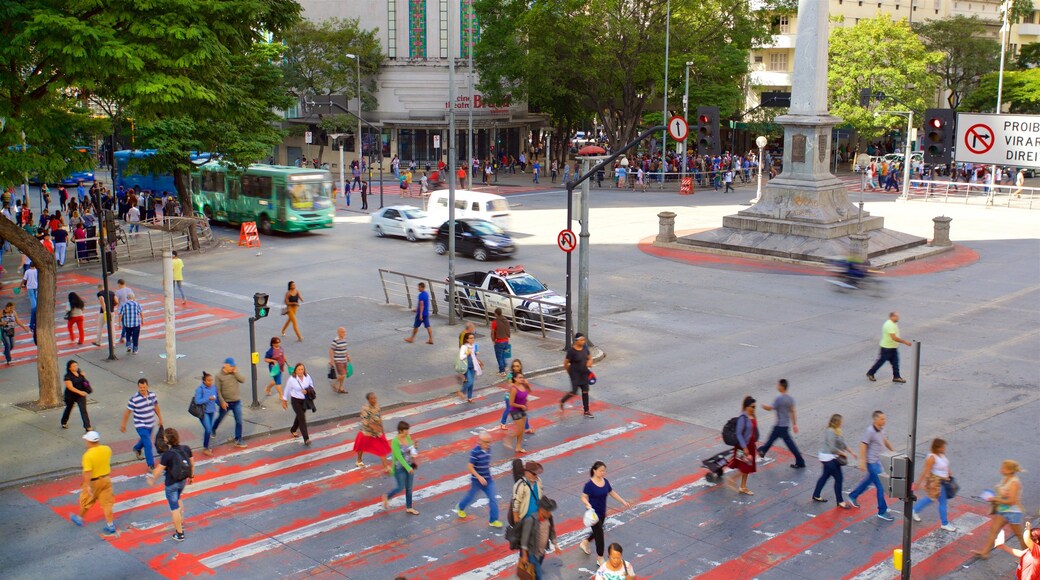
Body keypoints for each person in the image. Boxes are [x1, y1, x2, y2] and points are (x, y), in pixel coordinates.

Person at [145, 427, 194, 542]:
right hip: (182, 481)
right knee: (178, 498)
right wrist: (191, 476)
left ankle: (179, 533)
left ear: (167, 440)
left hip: (171, 484)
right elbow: (192, 463)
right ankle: (180, 521)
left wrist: (152, 479)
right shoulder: (186, 449)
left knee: (174, 508)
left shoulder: (167, 454)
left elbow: (158, 470)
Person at [847, 410, 897, 520]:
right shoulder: (870, 431)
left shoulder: (881, 429)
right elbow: (863, 445)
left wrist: (894, 451)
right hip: (872, 462)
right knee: (881, 486)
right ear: (875, 420)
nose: (884, 420)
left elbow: (884, 440)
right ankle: (882, 511)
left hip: (877, 460)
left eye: (884, 418)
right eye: (882, 419)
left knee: (868, 480)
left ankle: (853, 496)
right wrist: (862, 462)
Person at [580, 461, 632, 566]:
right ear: (594, 470)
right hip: (593, 514)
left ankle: (585, 542)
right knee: (600, 535)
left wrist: (623, 501)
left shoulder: (605, 482)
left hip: (602, 512)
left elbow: (612, 492)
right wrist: (587, 504)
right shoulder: (589, 485)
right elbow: (583, 497)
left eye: (604, 471)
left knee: (597, 532)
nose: (603, 473)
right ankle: (600, 558)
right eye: (601, 471)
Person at [974, 459, 1027, 559]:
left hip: (1013, 512)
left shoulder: (1014, 482)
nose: (1001, 469)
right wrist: (995, 498)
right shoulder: (1005, 478)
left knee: (1019, 535)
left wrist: (995, 499)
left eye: (1003, 468)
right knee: (994, 530)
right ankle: (984, 552)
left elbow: (1012, 501)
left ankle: (1027, 558)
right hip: (1002, 510)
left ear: (1009, 470)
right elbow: (1003, 495)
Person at [70, 431, 117, 534]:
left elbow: (87, 472)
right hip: (106, 479)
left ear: (89, 441)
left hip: (94, 482)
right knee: (107, 504)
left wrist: (87, 485)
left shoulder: (87, 455)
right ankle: (110, 525)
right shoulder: (107, 449)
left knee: (85, 500)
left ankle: (79, 518)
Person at [453, 432, 504, 528]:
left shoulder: (489, 449)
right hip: (477, 481)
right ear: (479, 441)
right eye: (486, 442)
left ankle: (493, 520)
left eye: (489, 442)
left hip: (488, 479)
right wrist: (479, 477)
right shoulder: (475, 452)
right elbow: (470, 466)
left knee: (493, 499)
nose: (488, 444)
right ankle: (460, 507)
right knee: (470, 496)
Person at [757, 379, 806, 469]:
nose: (777, 386)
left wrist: (763, 406)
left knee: (787, 443)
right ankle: (763, 450)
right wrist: (794, 424)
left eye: (778, 385)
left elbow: (770, 408)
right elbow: (793, 411)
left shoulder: (779, 399)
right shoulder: (790, 399)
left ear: (782, 387)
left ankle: (800, 461)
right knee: (772, 439)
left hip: (780, 425)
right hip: (785, 425)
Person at [911, 438, 956, 531]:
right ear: (937, 448)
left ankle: (915, 510)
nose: (944, 448)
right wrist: (919, 483)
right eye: (943, 447)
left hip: (944, 481)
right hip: (937, 483)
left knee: (931, 499)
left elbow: (945, 465)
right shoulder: (932, 457)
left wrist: (949, 473)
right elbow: (925, 471)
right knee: (942, 502)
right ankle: (944, 523)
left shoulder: (941, 454)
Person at [811, 414, 855, 507]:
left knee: (825, 476)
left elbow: (842, 443)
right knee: (839, 479)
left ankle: (816, 495)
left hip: (831, 457)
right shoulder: (830, 431)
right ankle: (840, 501)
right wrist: (842, 453)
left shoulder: (837, 430)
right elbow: (832, 448)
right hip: (828, 457)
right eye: (841, 421)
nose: (842, 423)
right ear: (837, 422)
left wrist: (851, 452)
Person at [119, 378, 164, 471]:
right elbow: (128, 412)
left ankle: (137, 448)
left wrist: (160, 418)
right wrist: (123, 424)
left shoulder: (152, 395)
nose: (142, 389)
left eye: (144, 387)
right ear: (138, 387)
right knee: (148, 443)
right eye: (140, 387)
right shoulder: (134, 399)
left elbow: (156, 407)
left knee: (145, 440)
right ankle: (150, 464)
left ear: (147, 386)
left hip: (150, 423)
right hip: (140, 424)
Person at [382, 421, 419, 515]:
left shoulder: (408, 437)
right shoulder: (395, 441)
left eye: (407, 430)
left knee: (409, 488)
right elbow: (399, 457)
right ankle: (387, 496)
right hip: (399, 468)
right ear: (400, 431)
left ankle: (409, 507)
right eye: (405, 431)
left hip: (409, 465)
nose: (407, 433)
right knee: (400, 487)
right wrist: (408, 468)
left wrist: (415, 448)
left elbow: (411, 450)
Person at [518, 496, 558, 580]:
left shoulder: (549, 518)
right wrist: (524, 555)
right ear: (541, 510)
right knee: (538, 575)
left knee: (534, 572)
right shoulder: (530, 520)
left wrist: (555, 544)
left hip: (541, 552)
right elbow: (524, 539)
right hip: (532, 552)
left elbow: (551, 531)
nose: (550, 513)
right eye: (548, 511)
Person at [866, 312, 911, 383]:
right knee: (881, 362)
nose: (898, 318)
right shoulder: (889, 325)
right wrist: (905, 342)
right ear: (892, 317)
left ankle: (897, 377)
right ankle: (870, 373)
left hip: (892, 347)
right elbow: (894, 338)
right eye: (896, 316)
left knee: (895, 362)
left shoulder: (893, 323)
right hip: (887, 348)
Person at [213, 358, 248, 449]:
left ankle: (238, 439)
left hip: (236, 401)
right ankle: (213, 428)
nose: (233, 368)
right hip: (226, 403)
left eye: (233, 366)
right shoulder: (218, 376)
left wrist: (236, 372)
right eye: (231, 366)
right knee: (220, 418)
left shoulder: (234, 373)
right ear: (226, 365)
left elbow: (243, 380)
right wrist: (222, 402)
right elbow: (218, 391)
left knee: (239, 420)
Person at [727, 396, 758, 495]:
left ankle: (743, 487)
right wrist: (744, 447)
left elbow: (753, 432)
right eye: (752, 407)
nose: (754, 409)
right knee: (744, 467)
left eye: (754, 407)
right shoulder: (742, 418)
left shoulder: (752, 416)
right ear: (746, 407)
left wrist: (754, 445)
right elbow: (739, 433)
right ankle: (732, 479)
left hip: (751, 445)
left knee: (747, 468)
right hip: (743, 446)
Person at [354, 392, 391, 472]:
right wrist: (375, 428)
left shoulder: (377, 406)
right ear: (368, 400)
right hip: (367, 432)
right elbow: (365, 422)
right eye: (372, 398)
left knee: (382, 448)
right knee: (360, 446)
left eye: (375, 398)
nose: (374, 400)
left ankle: (385, 467)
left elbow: (379, 416)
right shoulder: (365, 409)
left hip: (377, 432)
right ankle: (359, 460)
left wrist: (381, 428)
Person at [560, 333, 594, 418]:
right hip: (575, 375)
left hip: (584, 374)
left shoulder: (585, 348)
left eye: (584, 339)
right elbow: (565, 363)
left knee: (585, 391)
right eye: (582, 340)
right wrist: (570, 373)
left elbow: (590, 357)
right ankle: (562, 401)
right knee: (574, 392)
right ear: (576, 341)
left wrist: (590, 361)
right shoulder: (571, 351)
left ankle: (586, 411)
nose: (583, 341)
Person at [282, 363, 314, 446]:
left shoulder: (307, 377)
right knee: (302, 418)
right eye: (299, 369)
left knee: (299, 416)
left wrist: (307, 391)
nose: (301, 371)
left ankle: (293, 429)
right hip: (295, 400)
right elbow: (287, 389)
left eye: (302, 369)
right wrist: (284, 400)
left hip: (304, 400)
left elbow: (311, 386)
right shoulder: (292, 379)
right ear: (295, 370)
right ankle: (306, 438)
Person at [503, 371, 531, 454]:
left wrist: (526, 402)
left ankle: (518, 447)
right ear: (515, 379)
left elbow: (528, 392)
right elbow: (511, 403)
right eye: (520, 377)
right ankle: (509, 438)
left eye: (522, 377)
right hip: (515, 410)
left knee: (522, 430)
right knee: (519, 430)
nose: (522, 379)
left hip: (523, 409)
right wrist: (521, 406)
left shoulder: (523, 386)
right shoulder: (514, 389)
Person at [61, 360, 92, 431]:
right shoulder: (67, 377)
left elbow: (84, 381)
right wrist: (79, 392)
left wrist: (84, 377)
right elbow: (70, 387)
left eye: (76, 365)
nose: (76, 367)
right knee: (69, 408)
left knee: (83, 410)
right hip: (71, 395)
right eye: (73, 366)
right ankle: (64, 421)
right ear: (69, 368)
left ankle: (87, 426)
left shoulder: (80, 372)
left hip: (80, 396)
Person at [193, 372, 219, 456]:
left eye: (211, 380)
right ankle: (205, 447)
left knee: (209, 429)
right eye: (208, 380)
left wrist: (221, 404)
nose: (210, 382)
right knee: (208, 429)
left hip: (212, 411)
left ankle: (207, 445)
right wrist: (208, 398)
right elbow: (198, 401)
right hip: (204, 412)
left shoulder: (214, 388)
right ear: (204, 381)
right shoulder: (200, 389)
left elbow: (216, 398)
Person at [511, 460, 544, 524]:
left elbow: (541, 496)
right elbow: (516, 503)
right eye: (534, 474)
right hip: (525, 519)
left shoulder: (538, 481)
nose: (536, 476)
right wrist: (516, 519)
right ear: (526, 473)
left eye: (537, 473)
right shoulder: (520, 485)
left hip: (537, 517)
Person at [458, 332, 483, 402]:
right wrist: (467, 353)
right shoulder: (464, 347)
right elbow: (461, 357)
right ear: (467, 340)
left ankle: (469, 397)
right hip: (466, 367)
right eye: (471, 338)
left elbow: (473, 357)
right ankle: (461, 391)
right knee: (470, 381)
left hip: (473, 366)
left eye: (473, 338)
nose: (472, 339)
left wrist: (478, 361)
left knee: (472, 382)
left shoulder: (474, 346)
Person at [92, 283, 116, 347]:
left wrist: (105, 310)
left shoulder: (100, 293)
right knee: (112, 327)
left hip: (103, 313)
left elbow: (102, 301)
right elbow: (116, 301)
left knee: (100, 326)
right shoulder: (112, 292)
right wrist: (112, 307)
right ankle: (113, 343)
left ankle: (98, 341)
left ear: (99, 288)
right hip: (112, 312)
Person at [328, 326, 351, 394]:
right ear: (338, 333)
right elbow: (331, 350)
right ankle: (334, 383)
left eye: (345, 332)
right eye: (342, 332)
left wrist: (347, 356)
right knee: (343, 374)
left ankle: (340, 387)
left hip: (344, 359)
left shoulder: (344, 339)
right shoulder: (336, 340)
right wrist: (332, 360)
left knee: (343, 374)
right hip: (338, 360)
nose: (344, 333)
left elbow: (345, 348)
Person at [491, 308, 511, 375]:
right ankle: (505, 367)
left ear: (496, 313)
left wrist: (493, 340)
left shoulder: (495, 322)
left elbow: (493, 333)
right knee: (503, 355)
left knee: (499, 357)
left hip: (499, 341)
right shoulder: (505, 320)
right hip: (506, 340)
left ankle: (502, 371)